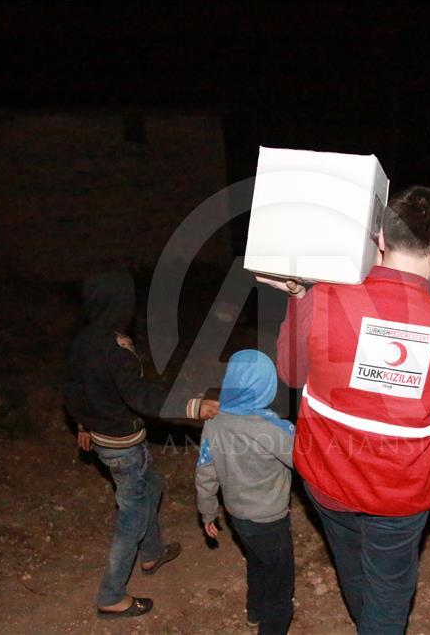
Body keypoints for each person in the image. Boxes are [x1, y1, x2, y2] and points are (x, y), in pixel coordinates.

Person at [262, 185, 430, 634]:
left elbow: (291, 374)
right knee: (389, 593)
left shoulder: (323, 298)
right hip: (400, 493)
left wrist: (300, 297)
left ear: (379, 237)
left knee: (353, 568)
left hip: (328, 478)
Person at [63, 271, 218, 620]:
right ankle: (111, 595)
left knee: (153, 484)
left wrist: (82, 423)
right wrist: (193, 406)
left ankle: (152, 552)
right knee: (131, 514)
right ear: (122, 304)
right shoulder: (115, 349)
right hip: (121, 444)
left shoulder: (84, 339)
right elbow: (139, 395)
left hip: (105, 435)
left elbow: (73, 385)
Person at [195, 349, 296, 635]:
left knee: (256, 561)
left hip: (237, 516)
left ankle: (255, 611)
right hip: (270, 520)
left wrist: (207, 512)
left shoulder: (214, 421)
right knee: (280, 582)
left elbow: (205, 473)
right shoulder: (274, 428)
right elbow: (306, 462)